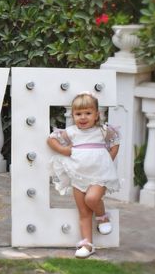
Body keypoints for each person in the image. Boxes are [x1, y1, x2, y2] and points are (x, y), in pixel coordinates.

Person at [47, 91, 120, 259]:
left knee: (92, 199)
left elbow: (115, 142)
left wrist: (108, 160)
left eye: (88, 113)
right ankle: (87, 244)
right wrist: (64, 150)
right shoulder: (71, 132)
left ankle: (102, 217)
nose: (83, 117)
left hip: (99, 175)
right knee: (84, 212)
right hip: (78, 175)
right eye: (78, 114)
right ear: (73, 115)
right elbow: (51, 140)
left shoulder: (102, 131)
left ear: (96, 115)